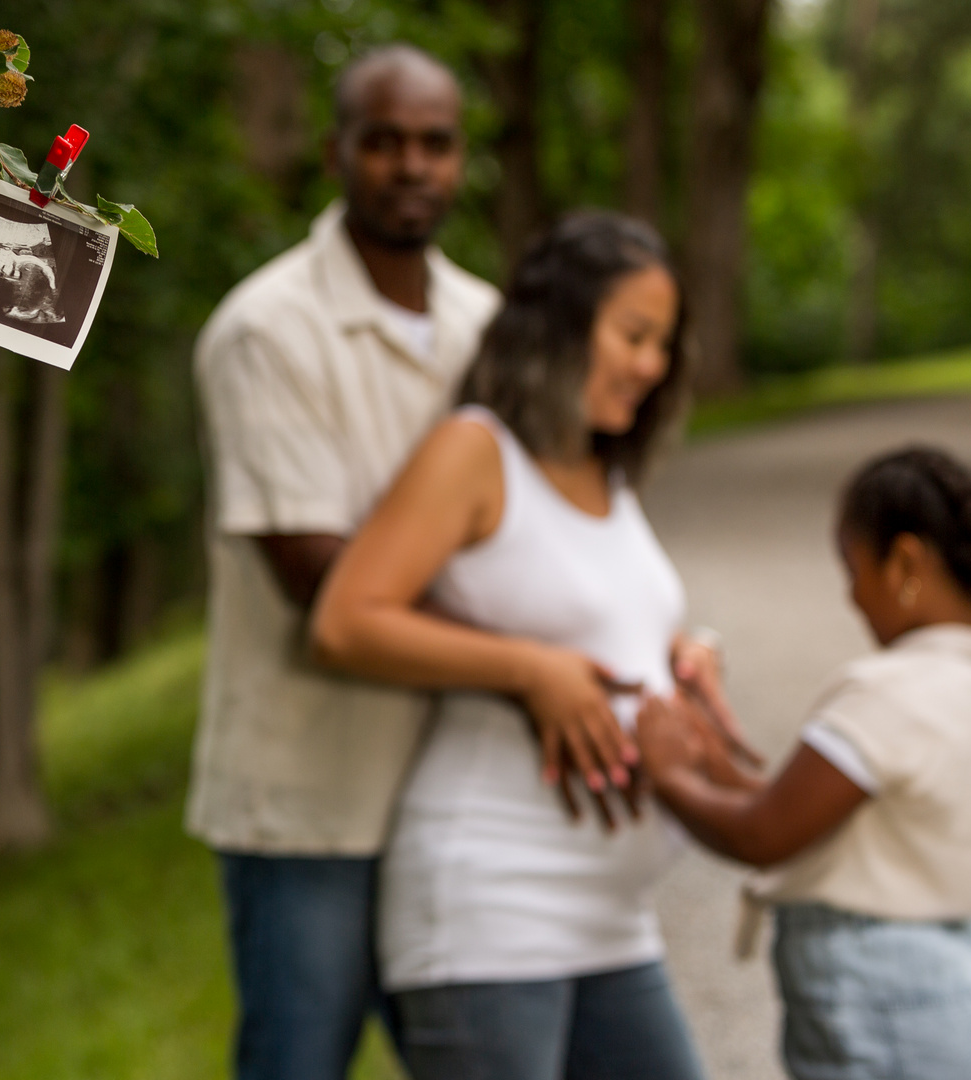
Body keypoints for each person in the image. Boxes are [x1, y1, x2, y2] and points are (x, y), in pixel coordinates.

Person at [312, 211, 748, 1079]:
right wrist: (530, 671)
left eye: (664, 344)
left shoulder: (606, 473)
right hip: (491, 907)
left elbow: (602, 623)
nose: (652, 366)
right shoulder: (476, 452)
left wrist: (683, 659)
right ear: (560, 325)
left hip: (609, 916)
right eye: (634, 335)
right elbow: (346, 619)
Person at [185, 44, 501, 1080]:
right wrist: (534, 658)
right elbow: (318, 573)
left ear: (461, 160)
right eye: (386, 142)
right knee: (299, 1063)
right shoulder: (266, 332)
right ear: (337, 153)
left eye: (435, 144)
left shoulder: (490, 327)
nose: (412, 166)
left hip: (456, 790)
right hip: (310, 795)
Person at [638, 446, 971, 1080]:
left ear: (905, 562)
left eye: (852, 566)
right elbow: (822, 816)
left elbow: (765, 833)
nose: (852, 596)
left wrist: (665, 773)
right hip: (970, 988)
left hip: (886, 998)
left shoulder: (891, 690)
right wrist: (717, 768)